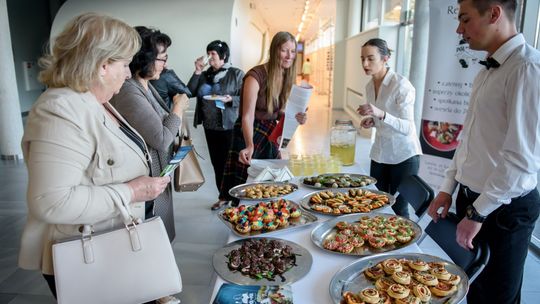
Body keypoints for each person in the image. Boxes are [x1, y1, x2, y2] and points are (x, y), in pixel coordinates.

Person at [18, 13, 170, 300]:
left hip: (112, 241)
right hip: (85, 253)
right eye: (124, 65)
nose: (128, 74)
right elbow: (51, 202)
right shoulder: (61, 109)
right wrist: (131, 191)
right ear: (102, 65)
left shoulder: (96, 101)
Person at [427, 1, 540, 303]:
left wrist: (478, 212)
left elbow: (521, 160)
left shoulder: (528, 69)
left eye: (465, 19)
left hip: (504, 208)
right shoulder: (487, 70)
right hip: (472, 198)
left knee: (497, 297)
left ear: (493, 13)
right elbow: (469, 142)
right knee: (474, 287)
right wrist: (447, 189)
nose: (458, 29)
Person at [111, 26, 189, 243]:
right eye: (162, 58)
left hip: (158, 175)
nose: (166, 64)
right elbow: (161, 139)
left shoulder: (144, 84)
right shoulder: (128, 90)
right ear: (145, 58)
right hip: (144, 181)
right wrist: (179, 107)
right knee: (151, 242)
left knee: (160, 238)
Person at [219, 31, 308, 206]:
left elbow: (280, 112)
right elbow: (247, 115)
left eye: (292, 51)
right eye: (284, 50)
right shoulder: (255, 76)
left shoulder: (287, 76)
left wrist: (298, 117)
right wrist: (249, 144)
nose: (289, 56)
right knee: (245, 186)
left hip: (270, 133)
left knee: (269, 185)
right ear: (274, 50)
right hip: (249, 131)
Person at [356, 38, 422, 218]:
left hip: (404, 156)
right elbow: (380, 118)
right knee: (375, 204)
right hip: (380, 153)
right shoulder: (369, 86)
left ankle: (402, 246)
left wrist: (381, 114)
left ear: (386, 58)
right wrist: (373, 121)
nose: (365, 63)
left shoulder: (401, 86)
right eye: (362, 58)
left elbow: (408, 128)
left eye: (370, 58)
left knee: (398, 209)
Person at [187, 40, 245, 210]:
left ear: (224, 56)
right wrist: (197, 71)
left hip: (229, 126)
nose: (210, 57)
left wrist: (231, 99)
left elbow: (246, 98)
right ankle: (223, 196)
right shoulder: (205, 75)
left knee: (232, 163)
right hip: (210, 126)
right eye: (209, 53)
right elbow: (189, 91)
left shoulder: (236, 74)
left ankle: (236, 199)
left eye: (213, 54)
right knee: (217, 163)